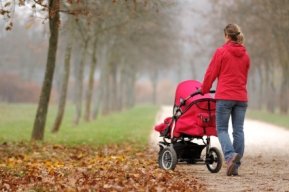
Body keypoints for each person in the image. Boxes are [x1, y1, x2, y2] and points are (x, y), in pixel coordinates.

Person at [200, 24, 250, 176]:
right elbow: (244, 77)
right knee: (238, 130)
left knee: (221, 129)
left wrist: (204, 89)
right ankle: (234, 166)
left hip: (225, 97)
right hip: (241, 98)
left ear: (227, 36)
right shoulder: (246, 55)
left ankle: (230, 156)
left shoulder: (221, 52)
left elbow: (211, 73)